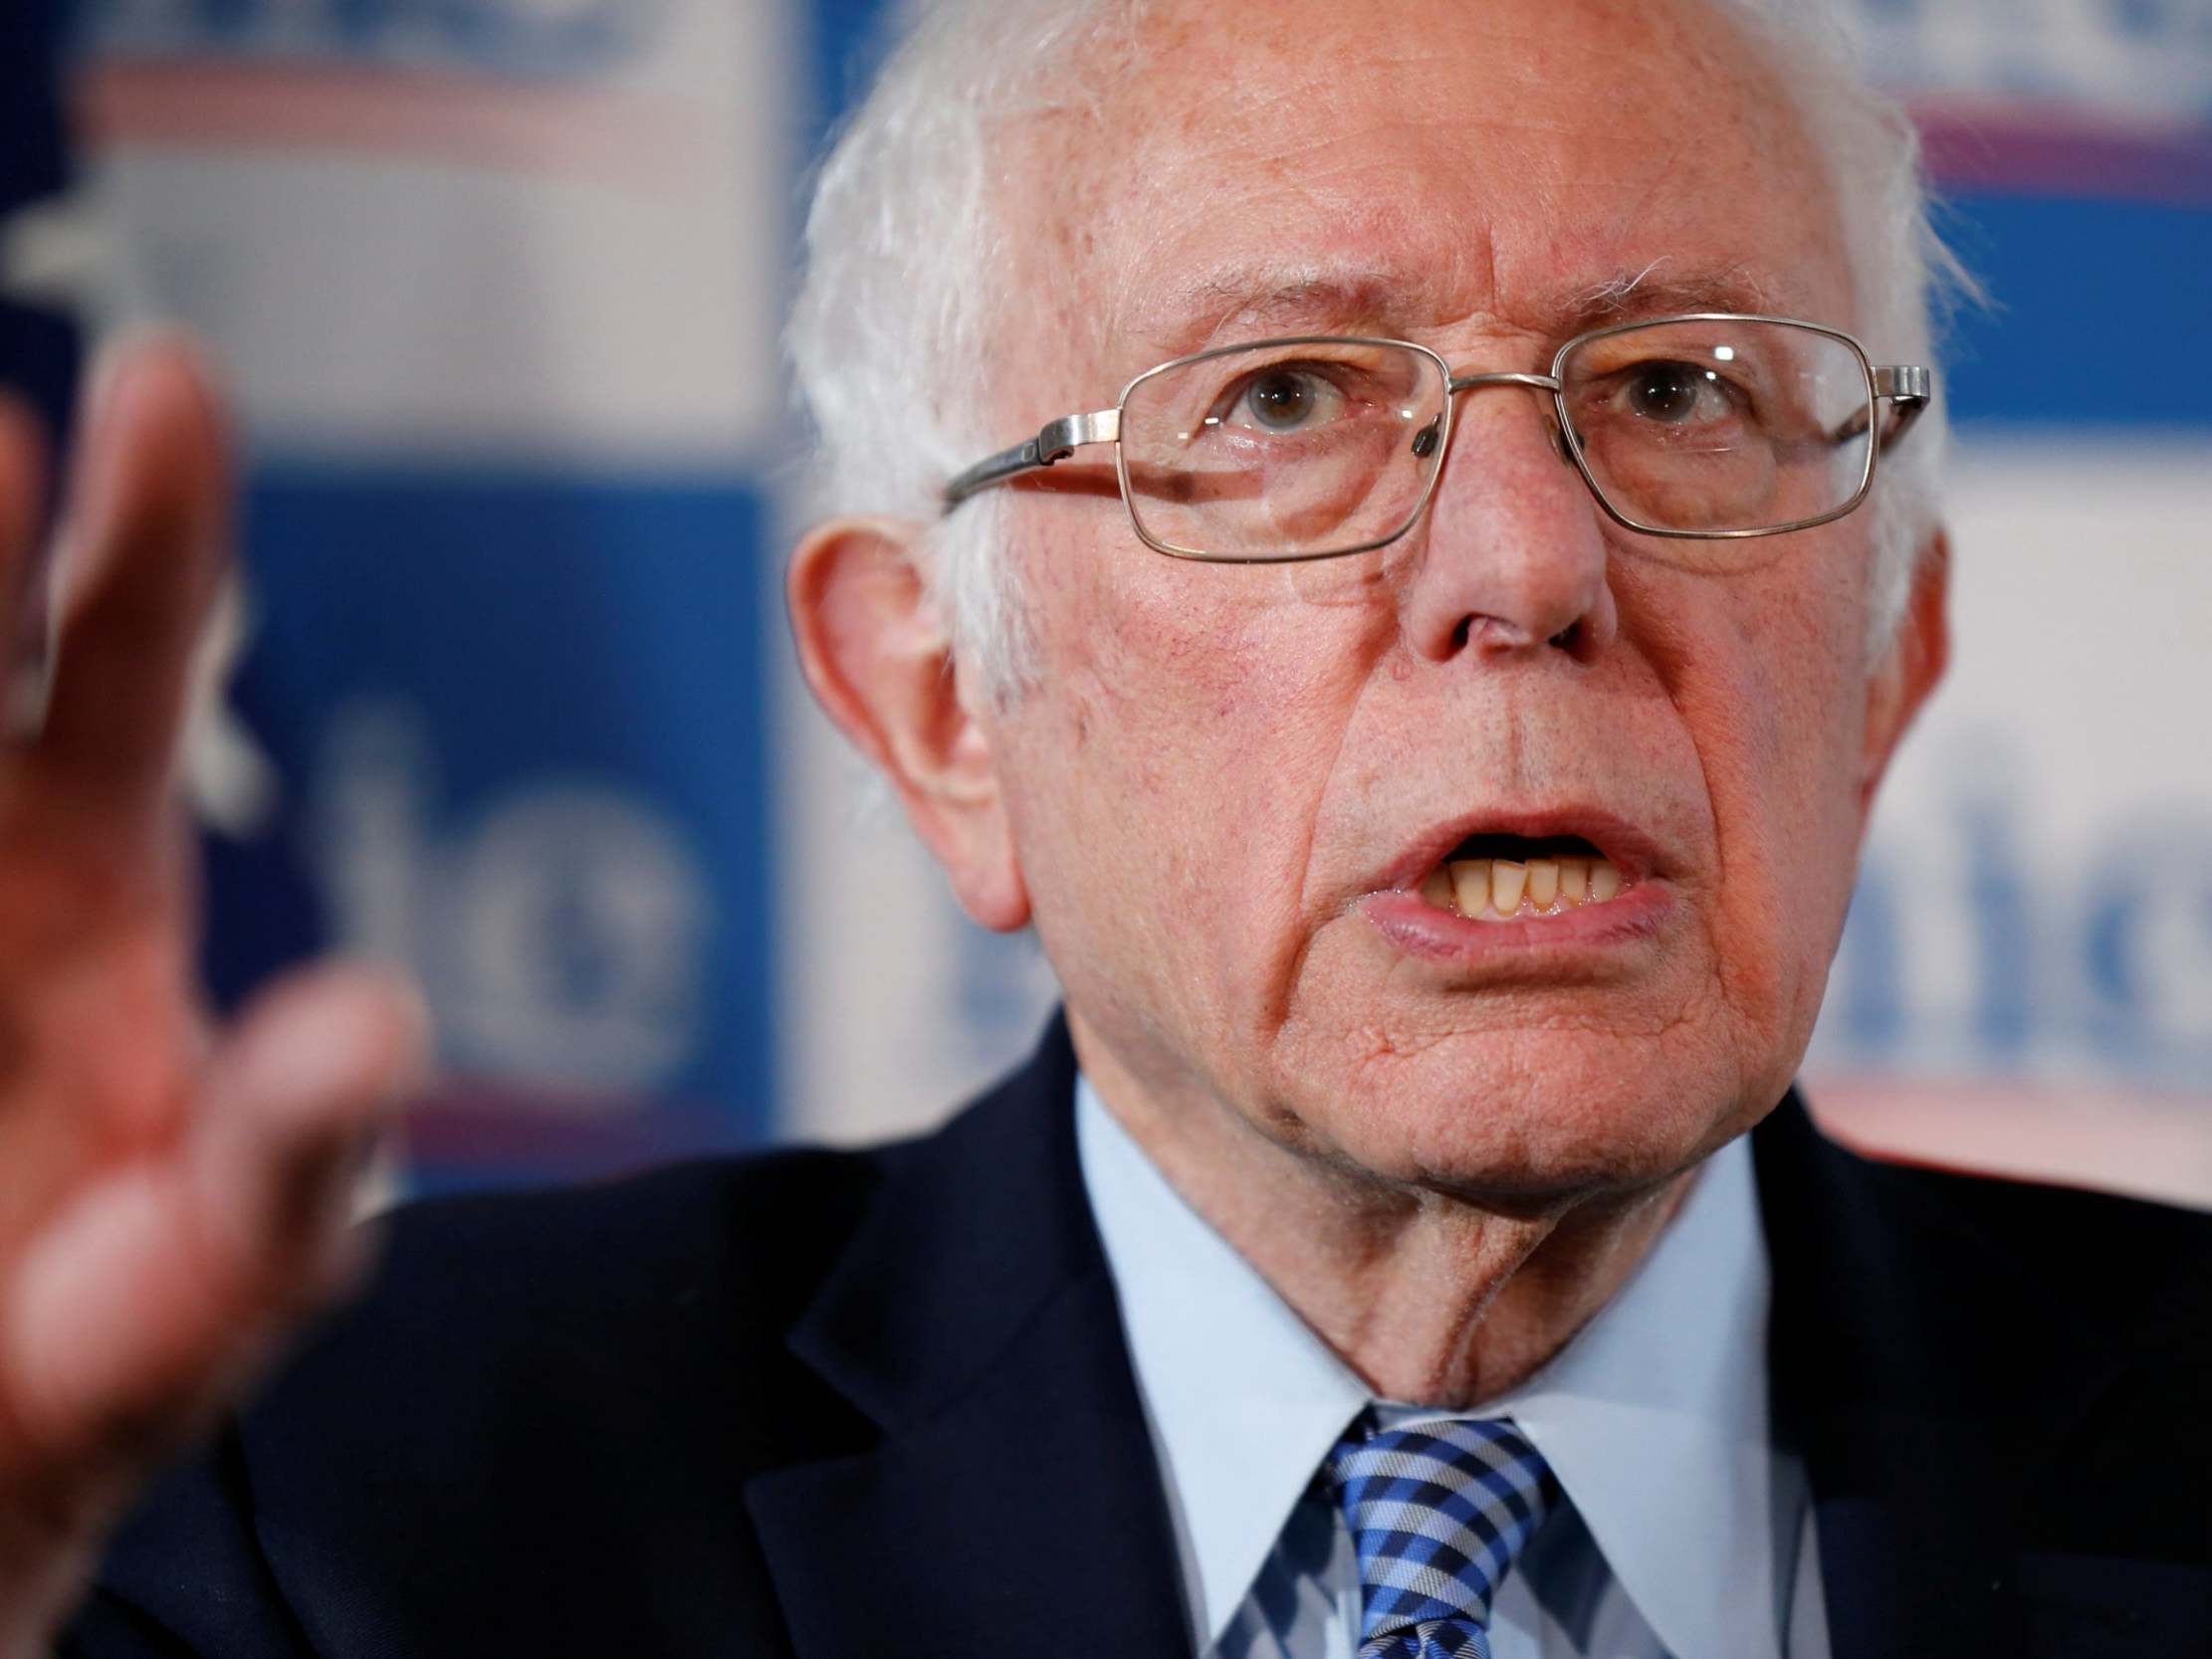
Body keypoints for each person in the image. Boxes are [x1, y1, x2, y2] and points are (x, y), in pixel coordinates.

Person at [3, 0, 2206, 1654]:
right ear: (941, 701)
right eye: (1279, 404)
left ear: (1886, 660)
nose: (1524, 563)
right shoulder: (321, 1505)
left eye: (1675, 390)